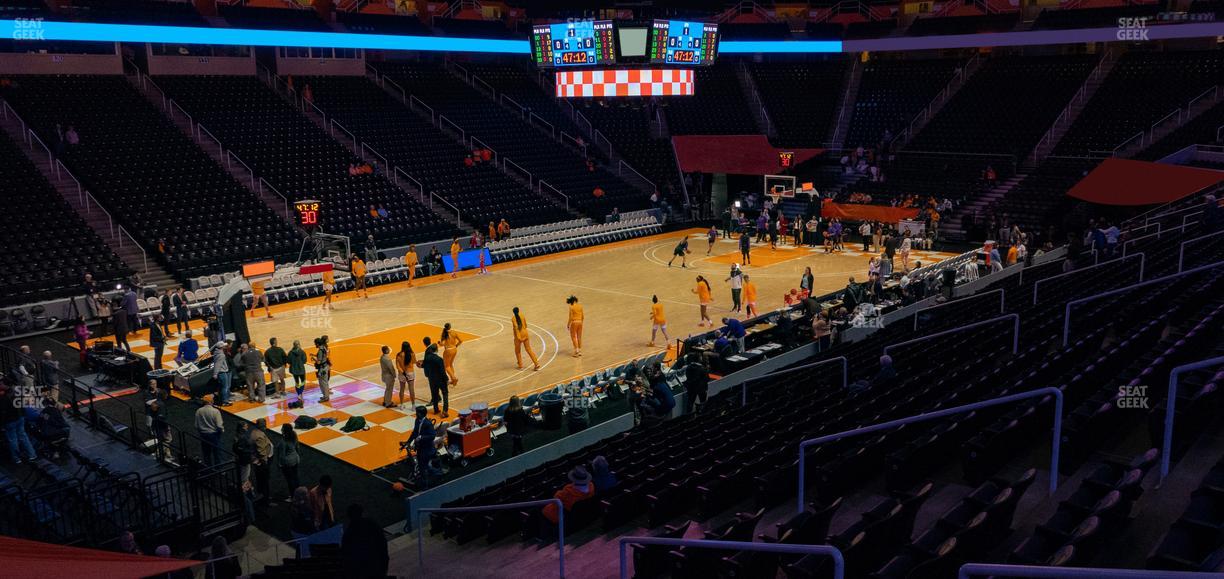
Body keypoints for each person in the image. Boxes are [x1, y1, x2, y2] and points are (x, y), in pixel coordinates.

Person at [341, 504, 389, 579]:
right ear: (362, 513)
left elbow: (346, 557)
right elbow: (383, 544)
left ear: (349, 517)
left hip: (362, 572)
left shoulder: (348, 534)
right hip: (377, 568)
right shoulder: (372, 525)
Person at [1, 383, 38, 464]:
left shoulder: (4, 398)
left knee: (13, 439)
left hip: (10, 420)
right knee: (23, 436)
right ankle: (32, 454)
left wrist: (2, 423)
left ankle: (17, 458)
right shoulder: (17, 392)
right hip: (20, 417)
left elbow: (3, 412)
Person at [419, 337, 449, 415]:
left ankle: (436, 409)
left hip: (431, 379)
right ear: (437, 350)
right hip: (440, 379)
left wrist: (420, 365)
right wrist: (446, 378)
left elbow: (424, 365)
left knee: (434, 394)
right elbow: (442, 371)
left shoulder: (427, 358)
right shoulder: (439, 359)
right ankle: (445, 411)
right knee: (445, 394)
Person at [196, 395, 224, 467]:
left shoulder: (199, 411)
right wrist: (221, 431)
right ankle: (219, 469)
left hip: (203, 435)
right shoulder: (215, 411)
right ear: (211, 401)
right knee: (217, 453)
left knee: (206, 453)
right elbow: (219, 426)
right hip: (214, 435)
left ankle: (208, 468)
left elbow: (196, 425)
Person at [277, 423, 300, 503]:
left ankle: (293, 497)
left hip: (288, 462)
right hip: (296, 459)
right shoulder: (294, 435)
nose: (281, 429)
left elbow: (282, 456)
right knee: (295, 477)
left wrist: (280, 464)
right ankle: (298, 494)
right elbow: (297, 447)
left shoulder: (283, 441)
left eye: (282, 428)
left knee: (290, 480)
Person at [395, 341, 417, 407]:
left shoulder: (399, 355)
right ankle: (413, 405)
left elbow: (397, 366)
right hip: (410, 373)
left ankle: (402, 404)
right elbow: (414, 362)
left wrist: (403, 372)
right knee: (411, 389)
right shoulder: (412, 354)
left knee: (402, 389)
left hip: (402, 374)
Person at [211, 341, 231, 406]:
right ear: (222, 347)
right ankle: (225, 401)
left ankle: (221, 400)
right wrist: (215, 374)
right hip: (222, 372)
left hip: (220, 372)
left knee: (221, 387)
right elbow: (218, 365)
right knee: (225, 387)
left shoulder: (216, 352)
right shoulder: (221, 355)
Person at [314, 336, 332, 402]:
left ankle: (326, 397)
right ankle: (325, 396)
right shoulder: (324, 347)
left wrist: (314, 360)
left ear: (318, 344)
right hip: (326, 366)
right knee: (325, 383)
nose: (315, 345)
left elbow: (318, 362)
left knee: (323, 383)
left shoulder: (320, 351)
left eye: (315, 344)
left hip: (322, 368)